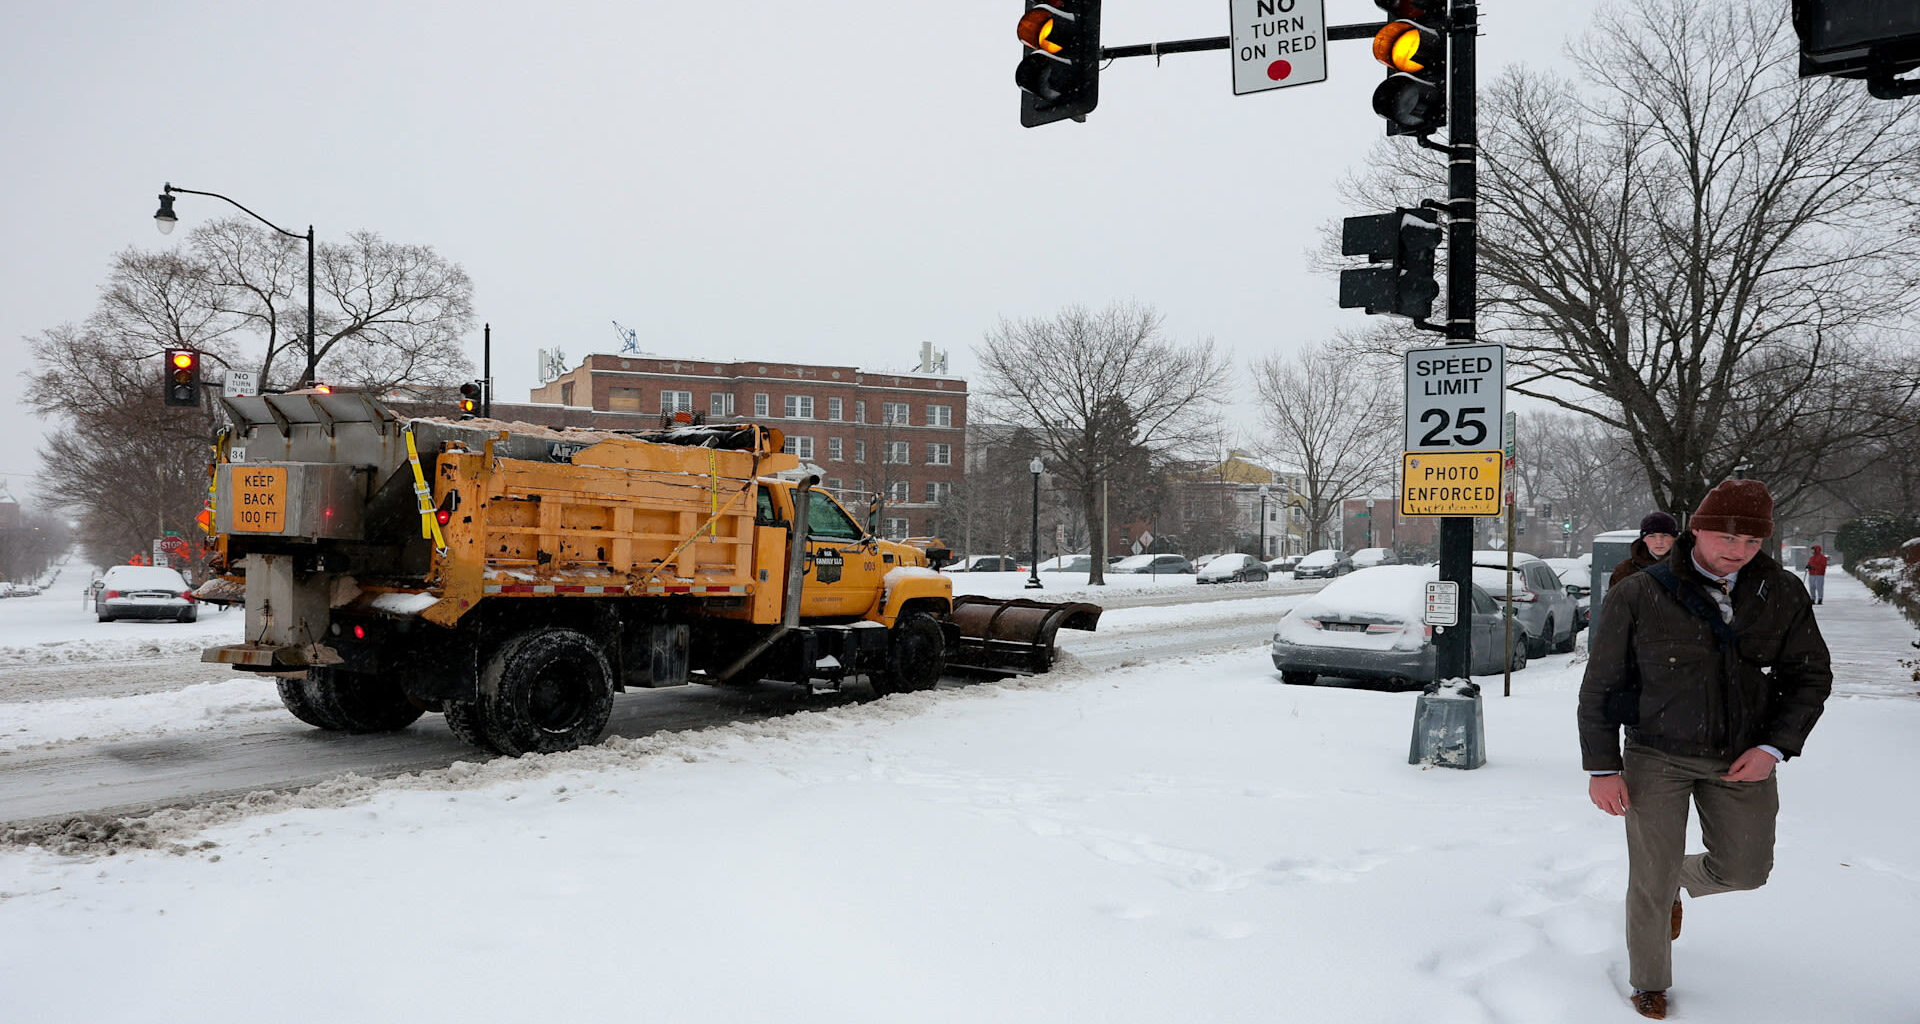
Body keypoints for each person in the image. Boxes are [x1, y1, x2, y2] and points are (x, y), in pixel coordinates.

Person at [1577, 479, 1832, 1019]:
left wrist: (1773, 747)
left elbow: (1810, 676)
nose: (1738, 551)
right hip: (1655, 754)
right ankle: (1650, 982)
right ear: (1696, 530)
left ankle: (1677, 880)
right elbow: (1600, 684)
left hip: (1743, 756)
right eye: (1726, 537)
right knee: (1649, 876)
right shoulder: (1640, 592)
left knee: (1745, 870)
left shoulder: (1781, 592)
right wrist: (1602, 767)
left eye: (1751, 541)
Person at [1610, 511, 1680, 587]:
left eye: (1665, 535)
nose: (1659, 541)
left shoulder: (1686, 567)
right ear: (1643, 539)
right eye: (1652, 536)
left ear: (1674, 538)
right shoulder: (1625, 570)